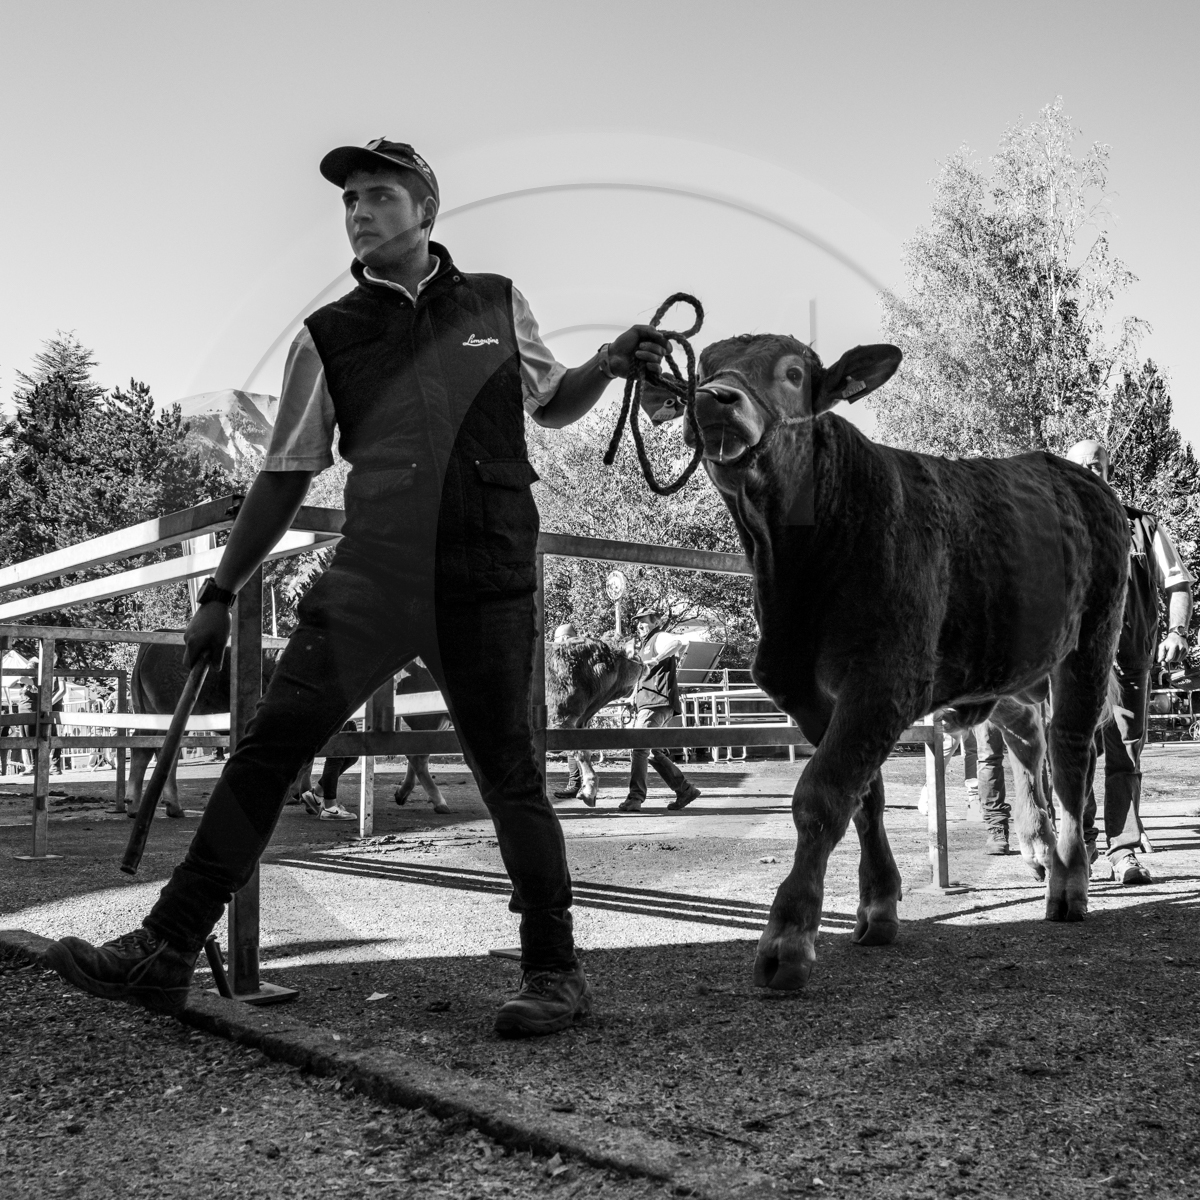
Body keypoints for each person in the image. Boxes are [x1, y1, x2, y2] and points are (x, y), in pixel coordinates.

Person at [45, 137, 668, 1037]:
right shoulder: (327, 334)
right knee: (268, 752)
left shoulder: (497, 302)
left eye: (380, 195)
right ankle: (166, 949)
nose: (360, 212)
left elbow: (553, 402)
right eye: (350, 202)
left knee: (510, 773)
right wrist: (220, 592)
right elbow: (285, 474)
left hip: (487, 575)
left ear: (426, 209)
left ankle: (554, 971)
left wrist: (609, 363)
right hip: (372, 576)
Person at [1067, 440, 1193, 886]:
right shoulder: (1054, 525)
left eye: (1100, 465)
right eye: (1084, 466)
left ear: (1110, 470)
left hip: (1128, 661)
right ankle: (1078, 846)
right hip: (1072, 663)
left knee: (1125, 754)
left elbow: (1179, 585)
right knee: (1075, 753)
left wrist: (1177, 633)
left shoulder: (1143, 526)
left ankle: (1123, 851)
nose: (1094, 472)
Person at [617, 608, 701, 812]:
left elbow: (677, 643)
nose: (639, 625)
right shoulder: (644, 645)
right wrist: (631, 698)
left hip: (657, 702)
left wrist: (655, 660)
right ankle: (684, 789)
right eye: (637, 622)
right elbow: (642, 678)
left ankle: (635, 798)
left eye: (643, 621)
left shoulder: (659, 637)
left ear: (655, 622)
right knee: (652, 752)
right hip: (649, 702)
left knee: (639, 747)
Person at [550, 623, 586, 800]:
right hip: (577, 706)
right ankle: (579, 784)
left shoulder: (572, 655)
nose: (556, 643)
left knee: (574, 745)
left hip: (574, 706)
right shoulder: (581, 654)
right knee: (573, 746)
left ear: (564, 638)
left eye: (557, 639)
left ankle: (577, 784)